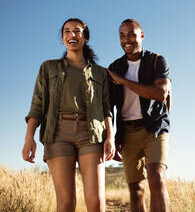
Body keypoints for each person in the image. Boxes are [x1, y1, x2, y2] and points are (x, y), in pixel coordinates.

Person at [22, 18, 115, 212]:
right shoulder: (48, 68)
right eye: (67, 31)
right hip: (57, 134)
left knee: (96, 203)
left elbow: (107, 108)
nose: (72, 35)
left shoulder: (100, 73)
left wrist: (110, 137)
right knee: (66, 203)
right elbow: (37, 104)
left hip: (91, 134)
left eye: (77, 31)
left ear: (85, 37)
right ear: (63, 38)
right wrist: (29, 137)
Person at [108, 19, 171, 212]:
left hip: (154, 128)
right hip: (127, 132)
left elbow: (160, 93)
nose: (127, 39)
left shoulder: (156, 60)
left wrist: (123, 82)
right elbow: (108, 107)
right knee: (136, 190)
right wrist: (111, 137)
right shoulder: (115, 67)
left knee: (157, 176)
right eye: (122, 35)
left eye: (131, 34)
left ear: (141, 35)